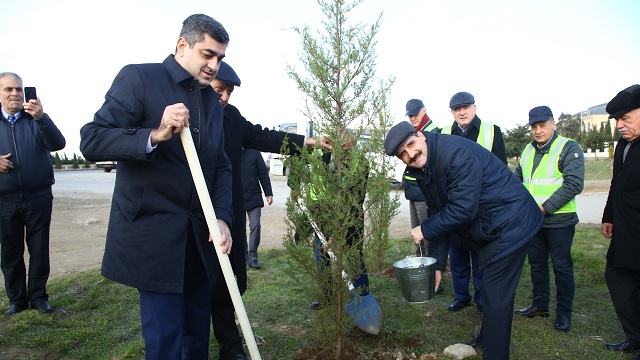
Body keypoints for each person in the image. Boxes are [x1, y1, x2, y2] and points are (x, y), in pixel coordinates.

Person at [79, 14, 234, 359]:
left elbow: (221, 165)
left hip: (199, 239)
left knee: (196, 337)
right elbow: (92, 140)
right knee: (165, 339)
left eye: (220, 58)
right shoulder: (140, 78)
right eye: (208, 54)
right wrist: (155, 134)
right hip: (155, 236)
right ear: (183, 45)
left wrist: (221, 216)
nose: (214, 65)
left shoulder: (211, 101)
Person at [384, 121, 543, 359]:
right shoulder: (425, 167)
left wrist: (424, 229)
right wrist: (437, 266)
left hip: (512, 223)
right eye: (403, 154)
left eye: (411, 144)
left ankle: (495, 353)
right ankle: (486, 339)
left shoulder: (455, 154)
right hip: (493, 226)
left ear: (420, 136)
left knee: (496, 296)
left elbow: (463, 209)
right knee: (490, 290)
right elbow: (439, 213)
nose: (411, 154)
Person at [210, 61, 328, 360]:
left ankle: (231, 346)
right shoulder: (190, 116)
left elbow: (265, 137)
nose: (224, 97)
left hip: (232, 210)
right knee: (201, 285)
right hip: (199, 214)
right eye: (218, 89)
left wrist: (308, 142)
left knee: (232, 282)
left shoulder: (231, 118)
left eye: (228, 92)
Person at [513, 106, 584, 333]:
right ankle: (540, 305)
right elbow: (517, 181)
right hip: (533, 221)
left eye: (543, 125)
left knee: (562, 267)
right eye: (534, 126)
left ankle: (564, 314)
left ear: (553, 124)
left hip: (559, 220)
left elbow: (573, 184)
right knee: (536, 264)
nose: (538, 131)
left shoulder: (568, 147)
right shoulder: (526, 150)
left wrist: (544, 209)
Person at [0, 72, 66, 316]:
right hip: (4, 199)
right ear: (0, 94)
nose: (15, 93)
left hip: (37, 197)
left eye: (18, 89)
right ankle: (17, 300)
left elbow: (58, 143)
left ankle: (38, 297)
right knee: (10, 252)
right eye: (8, 89)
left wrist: (41, 117)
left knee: (39, 250)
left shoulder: (36, 119)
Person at [441, 91, 507, 314]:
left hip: (482, 204)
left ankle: (481, 297)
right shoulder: (444, 133)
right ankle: (461, 296)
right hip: (455, 204)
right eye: (457, 109)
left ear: (474, 108)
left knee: (480, 256)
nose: (462, 112)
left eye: (466, 107)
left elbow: (500, 169)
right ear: (452, 112)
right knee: (457, 254)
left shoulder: (491, 131)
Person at [601, 84, 640, 359]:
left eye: (625, 118)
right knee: (616, 276)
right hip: (626, 231)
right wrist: (608, 216)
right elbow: (617, 183)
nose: (620, 126)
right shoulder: (624, 145)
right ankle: (635, 337)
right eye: (617, 120)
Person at [403, 98, 446, 295]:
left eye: (415, 113)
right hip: (413, 190)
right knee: (416, 234)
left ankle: (435, 278)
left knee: (428, 233)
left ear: (424, 111)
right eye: (409, 114)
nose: (412, 117)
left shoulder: (434, 131)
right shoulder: (409, 134)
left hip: (425, 192)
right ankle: (421, 273)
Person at [242, 148, 273, 269]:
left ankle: (253, 257)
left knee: (255, 226)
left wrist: (268, 192)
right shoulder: (231, 149)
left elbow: (263, 173)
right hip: (236, 198)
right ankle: (243, 256)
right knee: (240, 229)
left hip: (254, 196)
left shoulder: (254, 152)